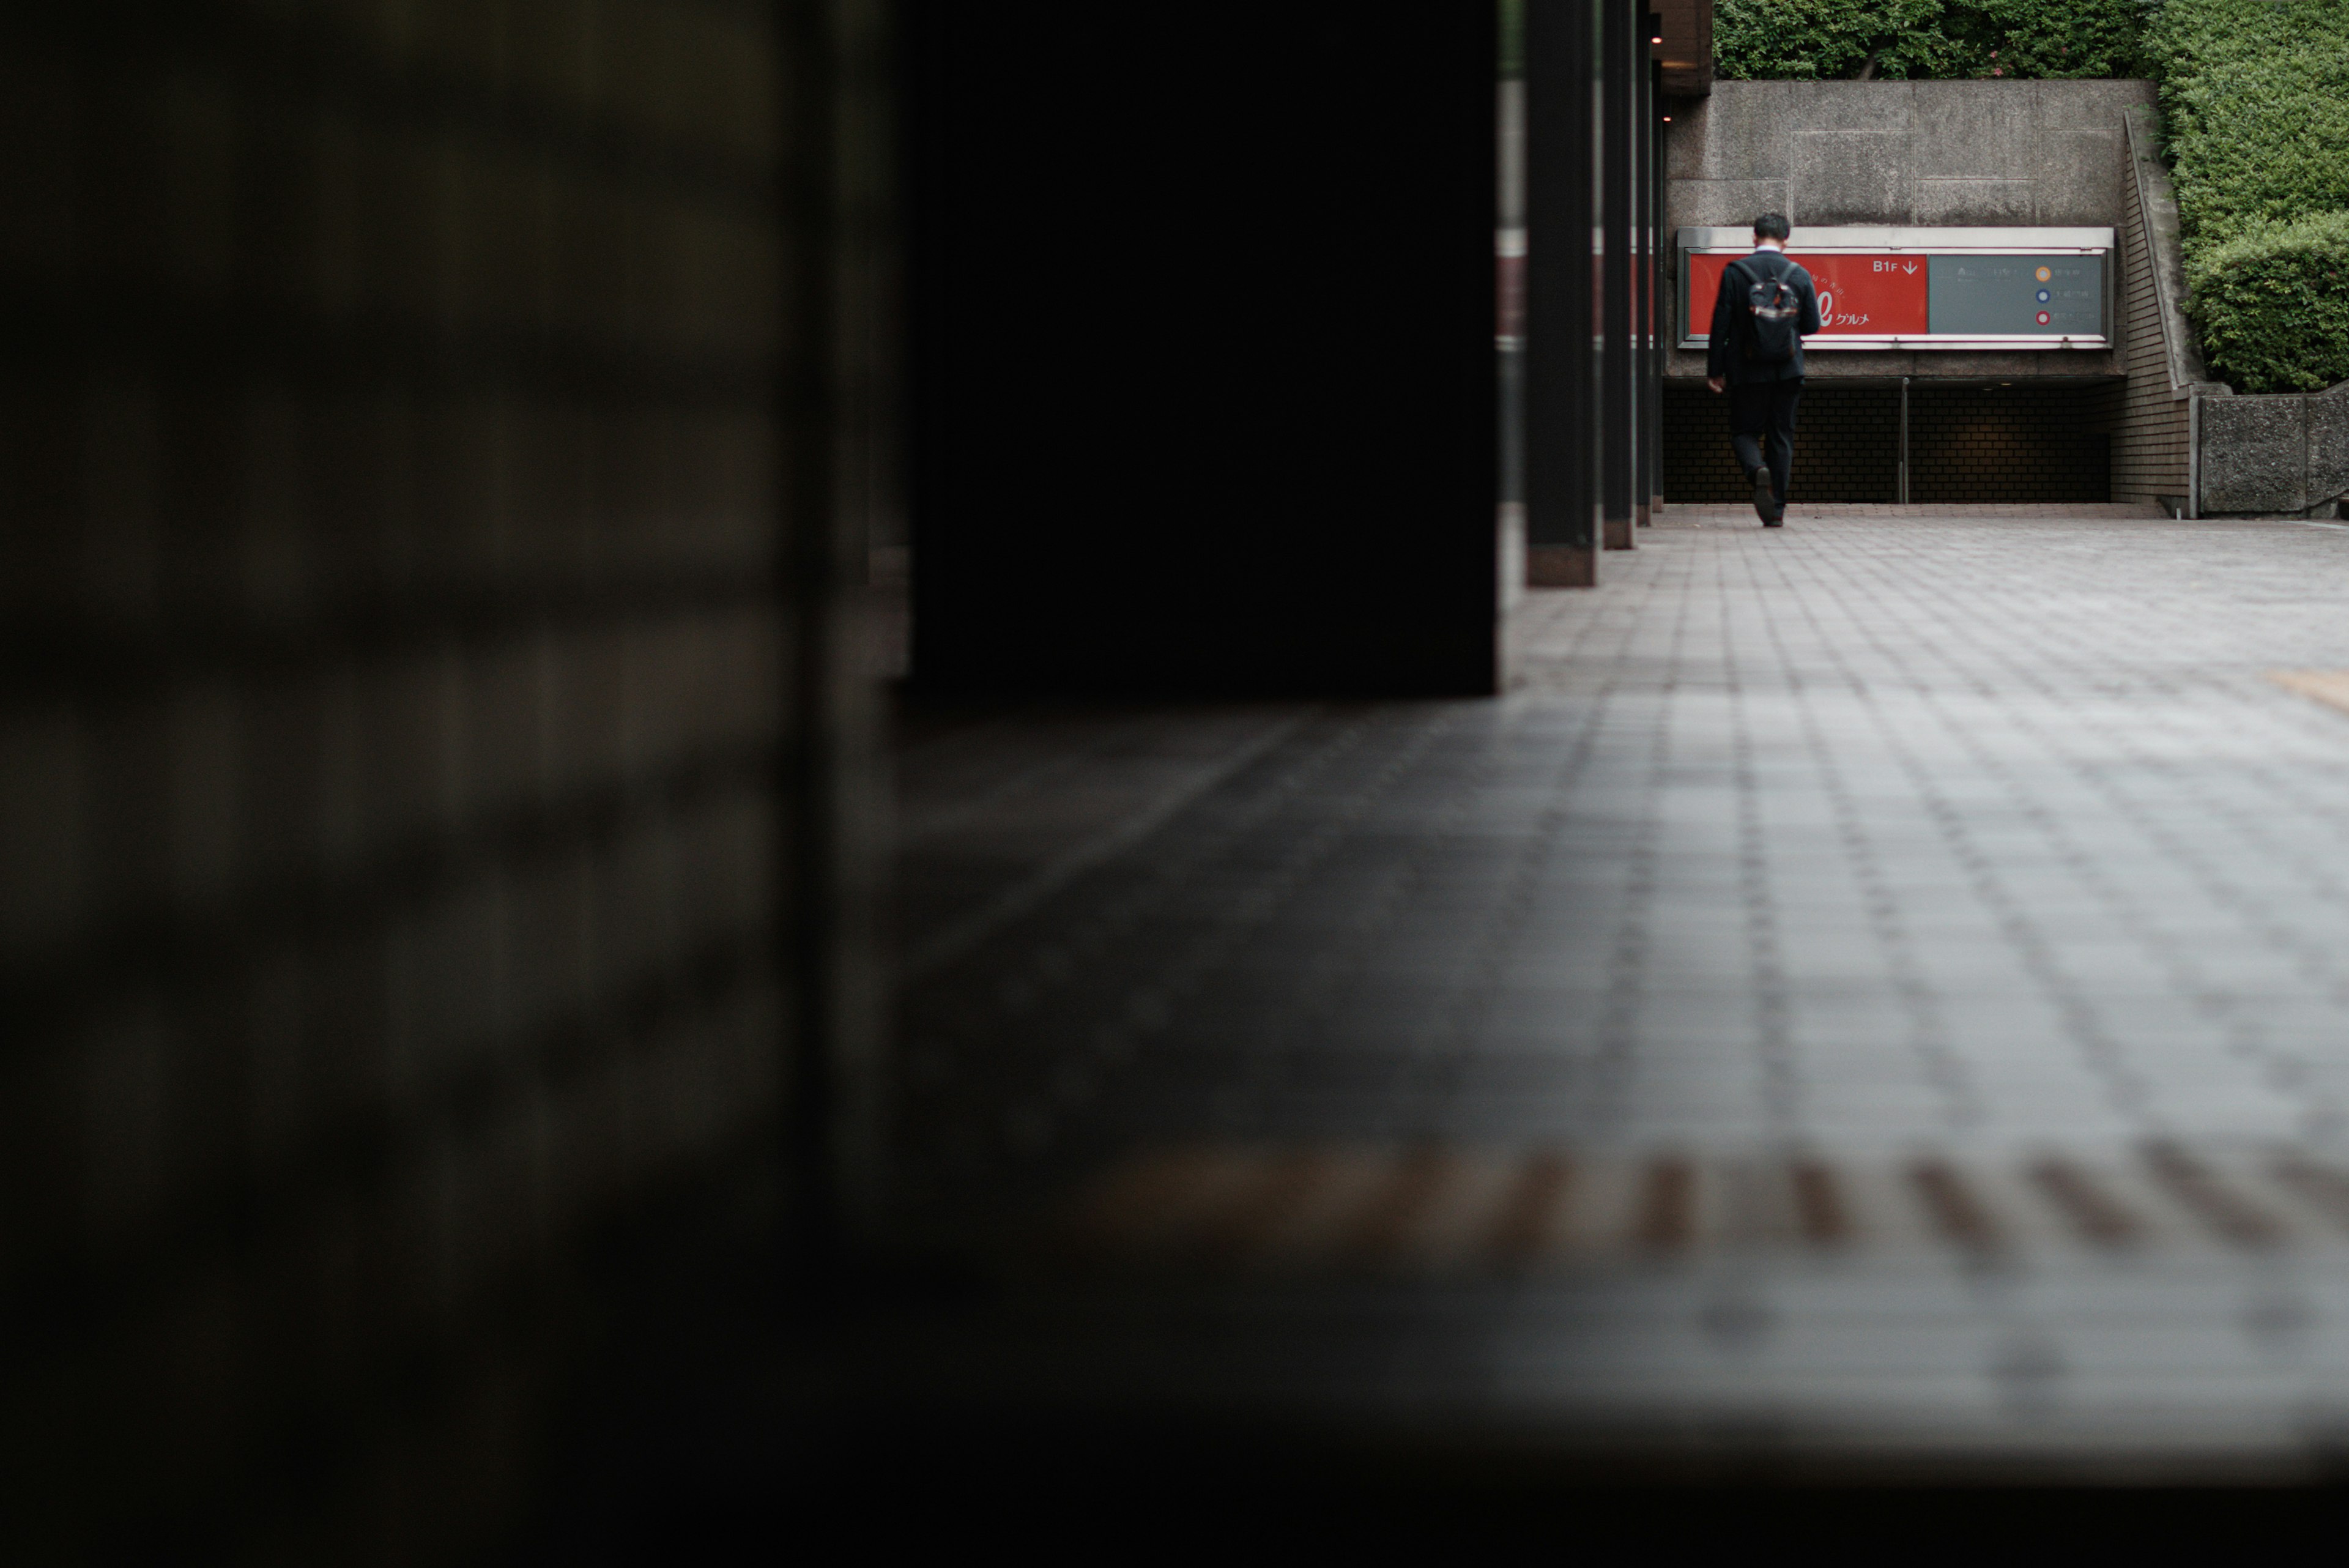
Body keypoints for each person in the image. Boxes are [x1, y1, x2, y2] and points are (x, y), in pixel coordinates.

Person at [1706, 213, 1821, 527]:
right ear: (1786, 240)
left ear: (1754, 237)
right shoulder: (1799, 274)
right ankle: (1777, 511)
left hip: (1746, 368)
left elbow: (1721, 325)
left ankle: (1757, 470)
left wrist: (1715, 370)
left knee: (1744, 431)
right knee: (1781, 435)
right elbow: (1811, 325)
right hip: (1788, 368)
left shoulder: (1736, 272)